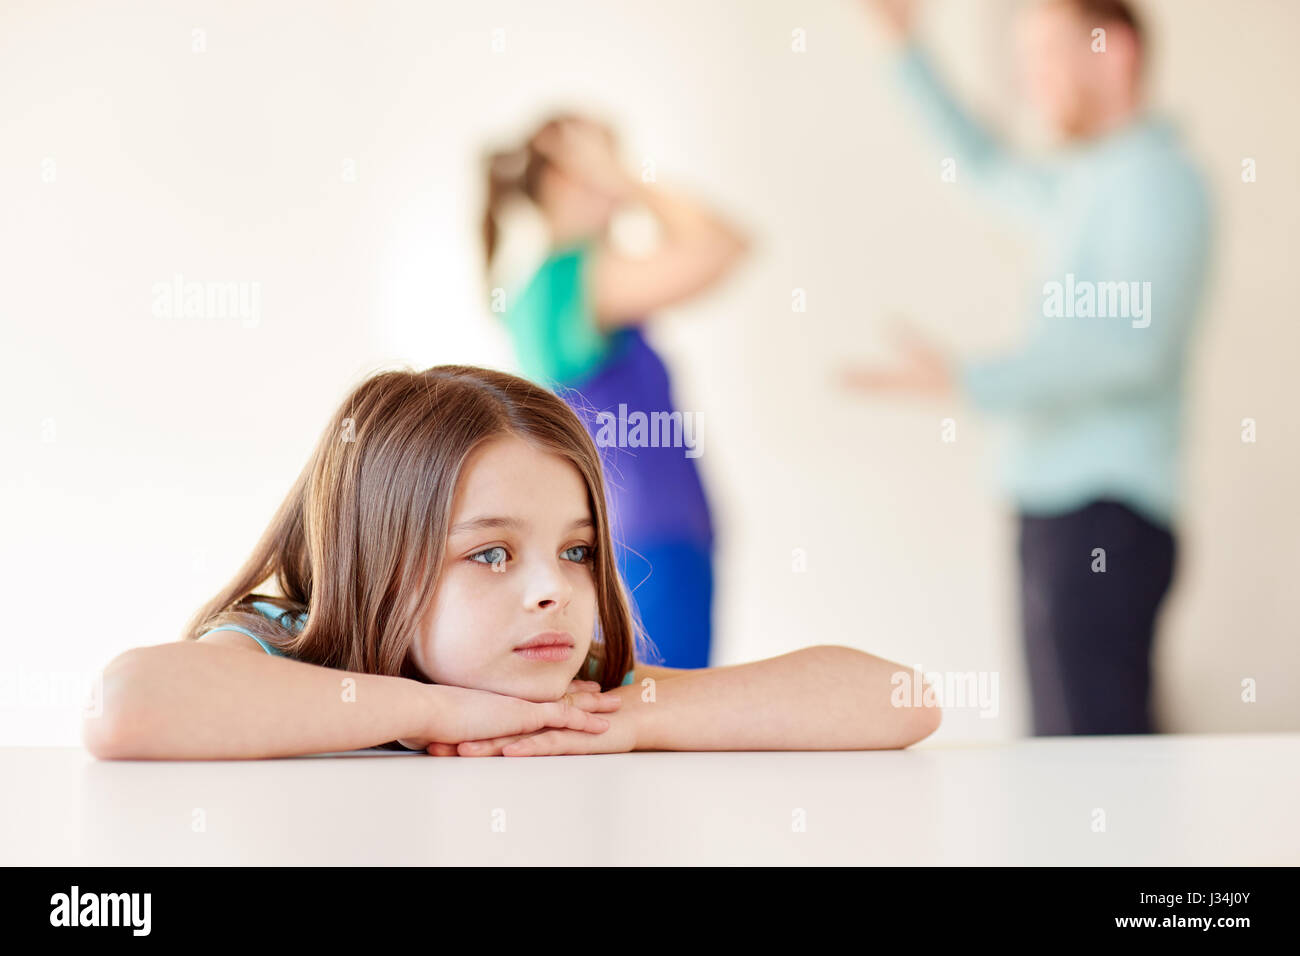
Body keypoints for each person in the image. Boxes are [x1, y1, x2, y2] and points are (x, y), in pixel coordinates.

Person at [83, 365, 940, 759]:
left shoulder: (572, 694)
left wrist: (637, 720)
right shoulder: (286, 644)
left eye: (576, 551)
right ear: (376, 565)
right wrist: (441, 713)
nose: (552, 592)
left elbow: (903, 701)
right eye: (490, 553)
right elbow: (128, 708)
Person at [848, 0, 1213, 735]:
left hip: (1103, 517)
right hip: (1059, 512)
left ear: (1116, 54)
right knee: (1073, 754)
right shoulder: (1087, 185)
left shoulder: (1155, 181)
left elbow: (1131, 348)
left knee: (1095, 765)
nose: (1030, 78)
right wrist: (904, 46)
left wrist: (971, 380)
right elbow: (983, 169)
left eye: (1047, 53)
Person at [482, 113, 748, 669]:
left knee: (658, 723)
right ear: (561, 178)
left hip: (654, 543)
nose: (618, 182)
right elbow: (723, 247)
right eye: (600, 161)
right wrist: (627, 179)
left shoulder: (564, 282)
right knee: (659, 726)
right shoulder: (572, 280)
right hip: (645, 548)